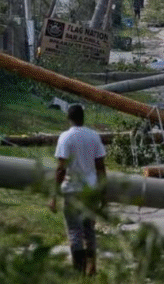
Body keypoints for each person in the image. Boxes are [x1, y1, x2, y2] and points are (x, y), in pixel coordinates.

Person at [49, 105, 107, 276]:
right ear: (83, 118)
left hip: (72, 191)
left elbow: (61, 169)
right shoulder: (94, 136)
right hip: (89, 190)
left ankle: (78, 271)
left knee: (75, 231)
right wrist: (103, 194)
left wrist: (53, 195)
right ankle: (92, 267)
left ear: (68, 118)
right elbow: (101, 167)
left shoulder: (65, 137)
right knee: (89, 230)